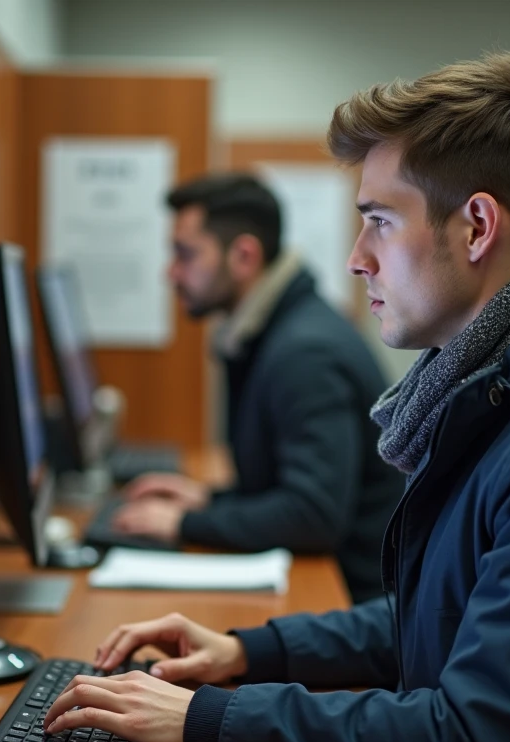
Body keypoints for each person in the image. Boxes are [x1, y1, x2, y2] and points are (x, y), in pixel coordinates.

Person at [43, 51, 510, 742]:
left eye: (379, 222)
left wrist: (207, 719)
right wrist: (248, 651)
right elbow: (439, 617)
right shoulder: (509, 399)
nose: (356, 260)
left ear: (477, 227)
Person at [108, 173, 404, 603]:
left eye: (185, 254)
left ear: (244, 256)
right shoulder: (274, 331)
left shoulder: (304, 353)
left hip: (350, 603)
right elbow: (284, 485)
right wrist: (209, 501)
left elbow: (312, 515)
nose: (170, 272)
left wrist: (183, 524)